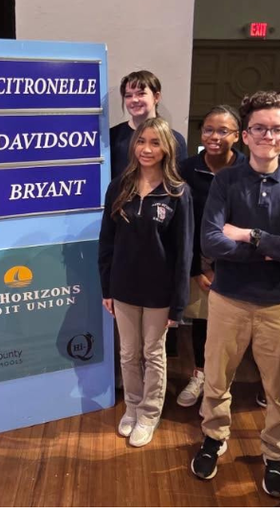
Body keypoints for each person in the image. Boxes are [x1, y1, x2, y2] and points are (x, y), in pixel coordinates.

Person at [192, 91, 280, 498]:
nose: (268, 135)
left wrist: (251, 236)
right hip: (228, 298)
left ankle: (275, 454)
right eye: (260, 128)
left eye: (276, 129)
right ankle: (214, 438)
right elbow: (212, 242)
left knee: (279, 390)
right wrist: (274, 248)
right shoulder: (226, 182)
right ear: (246, 136)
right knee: (217, 379)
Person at [99, 117, 192, 448]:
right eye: (141, 142)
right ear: (133, 145)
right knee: (127, 353)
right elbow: (106, 242)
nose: (147, 149)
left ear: (167, 148)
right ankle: (133, 405)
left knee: (153, 353)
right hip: (123, 287)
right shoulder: (119, 187)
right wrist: (106, 287)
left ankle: (150, 413)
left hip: (159, 292)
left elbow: (184, 253)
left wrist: (178, 302)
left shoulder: (178, 193)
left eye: (155, 143)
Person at [175, 106, 244, 408]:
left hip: (237, 264)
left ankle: (223, 383)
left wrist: (225, 266)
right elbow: (181, 223)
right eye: (208, 130)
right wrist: (195, 268)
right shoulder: (186, 170)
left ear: (238, 136)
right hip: (199, 265)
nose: (214, 136)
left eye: (223, 130)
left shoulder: (248, 170)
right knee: (203, 322)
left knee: (234, 328)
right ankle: (201, 375)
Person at [109, 71, 186, 179]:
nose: (134, 100)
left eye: (141, 94)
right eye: (128, 96)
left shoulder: (175, 140)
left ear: (156, 97)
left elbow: (178, 182)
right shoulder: (112, 136)